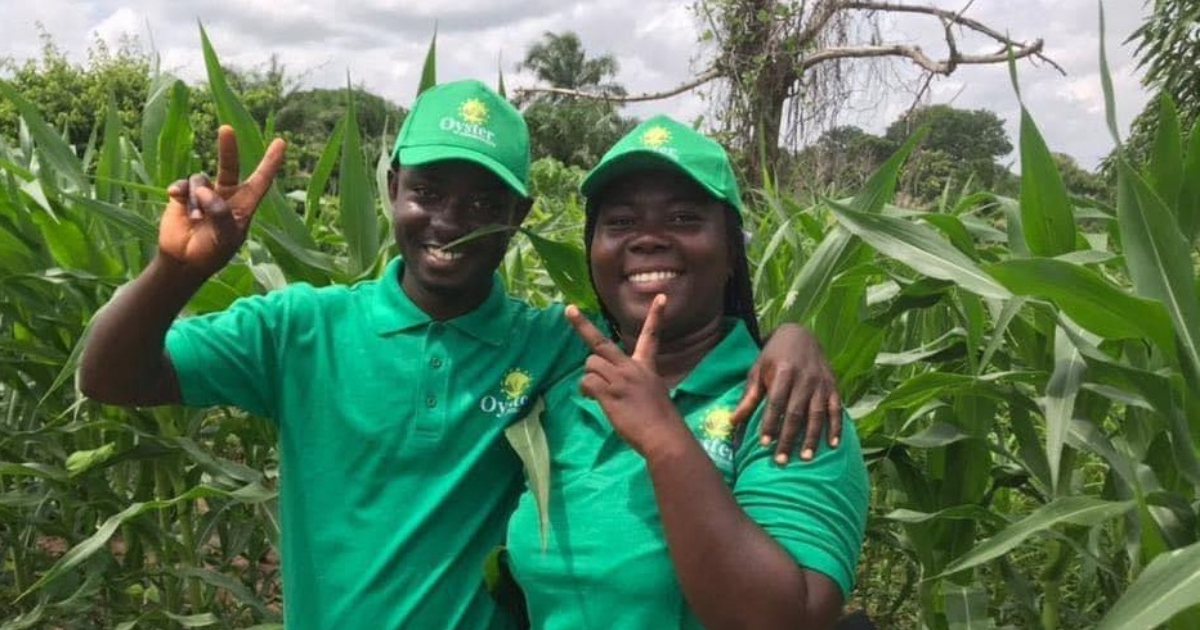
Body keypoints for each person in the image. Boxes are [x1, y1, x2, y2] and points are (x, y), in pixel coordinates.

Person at [79, 81, 840, 630]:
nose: (449, 221)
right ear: (391, 189)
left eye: (483, 203)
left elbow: (680, 335)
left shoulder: (551, 347)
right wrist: (176, 272)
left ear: (520, 216)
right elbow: (110, 378)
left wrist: (786, 341)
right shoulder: (299, 329)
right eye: (429, 191)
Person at [506, 115, 871, 630]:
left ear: (730, 255)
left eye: (682, 218)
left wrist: (664, 440)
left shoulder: (786, 400)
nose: (648, 238)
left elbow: (787, 620)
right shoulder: (563, 392)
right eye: (620, 222)